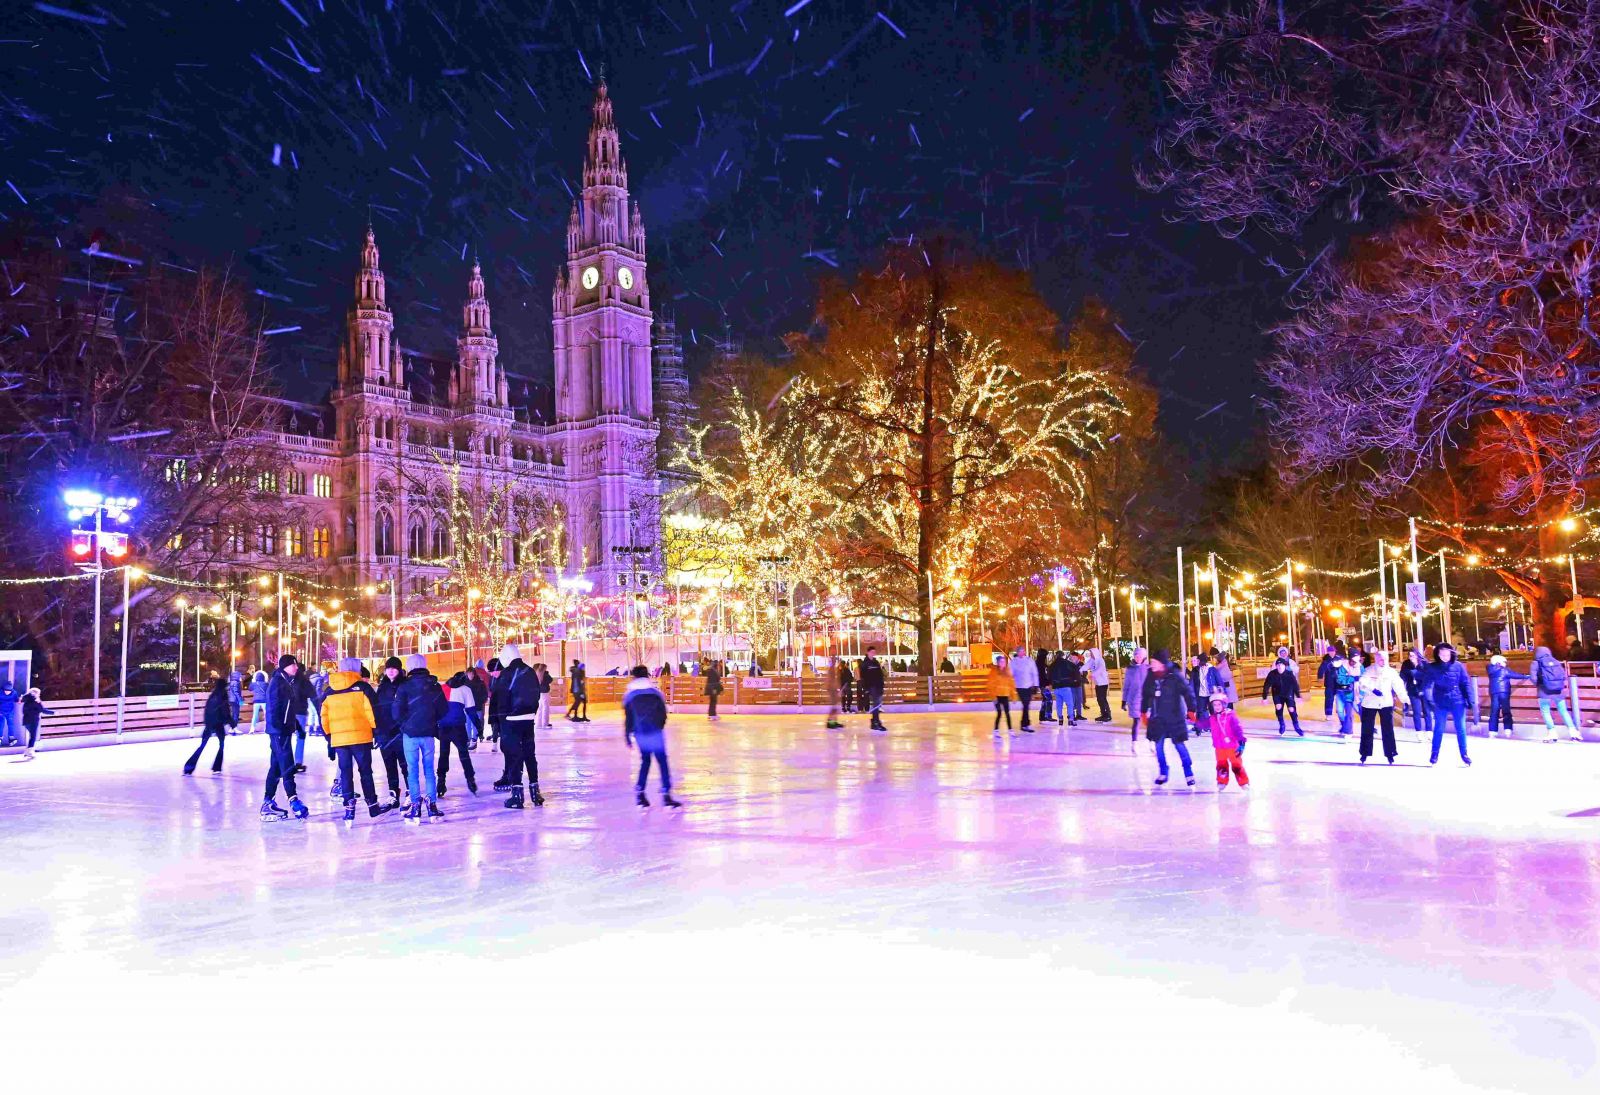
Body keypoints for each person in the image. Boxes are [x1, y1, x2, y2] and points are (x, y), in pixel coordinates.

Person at [322, 657, 391, 825]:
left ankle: (349, 808)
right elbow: (373, 712)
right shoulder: (363, 688)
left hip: (340, 739)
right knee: (365, 771)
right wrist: (378, 733)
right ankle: (372, 805)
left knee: (345, 772)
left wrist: (329, 737)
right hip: (361, 737)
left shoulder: (329, 691)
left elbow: (324, 717)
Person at [393, 653, 446, 823]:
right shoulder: (434, 685)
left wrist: (405, 724)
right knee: (429, 770)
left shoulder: (404, 686)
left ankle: (415, 806)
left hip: (410, 734)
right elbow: (443, 709)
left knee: (412, 770)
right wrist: (431, 720)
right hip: (428, 733)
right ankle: (432, 805)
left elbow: (396, 712)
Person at [491, 643, 545, 808]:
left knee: (514, 756)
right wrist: (532, 712)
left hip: (511, 720)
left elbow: (501, 699)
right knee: (530, 755)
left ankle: (517, 794)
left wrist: (501, 721)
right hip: (528, 719)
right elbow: (537, 694)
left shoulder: (506, 673)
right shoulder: (529, 671)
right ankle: (535, 792)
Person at [622, 665, 681, 807]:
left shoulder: (629, 696)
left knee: (645, 760)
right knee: (662, 761)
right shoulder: (656, 693)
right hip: (655, 732)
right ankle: (666, 793)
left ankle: (640, 792)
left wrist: (628, 736)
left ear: (634, 677)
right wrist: (659, 726)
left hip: (640, 733)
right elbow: (663, 714)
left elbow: (629, 718)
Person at [261, 654, 309, 821]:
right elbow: (273, 708)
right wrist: (279, 728)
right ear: (284, 667)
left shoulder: (286, 681)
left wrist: (297, 727)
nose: (296, 667)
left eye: (296, 664)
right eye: (292, 665)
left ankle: (268, 803)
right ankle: (294, 801)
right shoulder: (277, 683)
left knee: (276, 767)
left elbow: (288, 709)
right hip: (279, 732)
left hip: (283, 730)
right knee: (287, 765)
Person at [1140, 650, 1196, 787]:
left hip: (1174, 717)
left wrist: (1191, 709)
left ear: (1162, 663)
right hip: (1158, 718)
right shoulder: (1151, 676)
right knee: (1158, 747)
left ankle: (1188, 772)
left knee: (1179, 746)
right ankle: (1163, 771)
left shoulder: (1174, 676)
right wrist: (1143, 712)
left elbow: (1187, 692)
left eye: (1154, 662)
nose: (1151, 665)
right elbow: (1145, 694)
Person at [1424, 642, 1473, 766]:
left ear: (1451, 654)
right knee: (1439, 728)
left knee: (1461, 728)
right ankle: (1434, 753)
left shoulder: (1458, 666)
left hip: (1457, 700)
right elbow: (1427, 684)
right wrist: (1429, 700)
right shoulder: (1432, 667)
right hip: (1440, 701)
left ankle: (1464, 754)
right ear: (1438, 655)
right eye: (1442, 655)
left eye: (1447, 655)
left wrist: (1470, 699)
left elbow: (1465, 683)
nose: (1445, 657)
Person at [1356, 650, 1408, 764]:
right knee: (1367, 728)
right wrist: (1372, 689)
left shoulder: (1391, 672)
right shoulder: (1369, 670)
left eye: (1385, 659)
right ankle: (1364, 753)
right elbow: (1362, 682)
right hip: (1369, 703)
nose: (1383, 661)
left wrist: (1405, 700)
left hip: (1385, 703)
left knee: (1388, 729)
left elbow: (1399, 687)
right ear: (1376, 659)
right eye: (1380, 659)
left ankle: (1390, 753)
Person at [435, 671, 479, 798]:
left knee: (443, 755)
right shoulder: (466, 690)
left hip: (443, 727)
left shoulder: (442, 687)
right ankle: (470, 780)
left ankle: (441, 782)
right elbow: (471, 711)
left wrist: (435, 725)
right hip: (458, 727)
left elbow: (435, 708)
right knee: (464, 754)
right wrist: (479, 728)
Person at [373, 656, 409, 808]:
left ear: (399, 670)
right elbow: (376, 710)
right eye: (388, 668)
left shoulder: (405, 685)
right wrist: (376, 732)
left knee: (405, 765)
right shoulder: (382, 687)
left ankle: (410, 793)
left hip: (401, 733)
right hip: (385, 733)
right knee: (389, 765)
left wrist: (404, 726)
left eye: (394, 668)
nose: (391, 671)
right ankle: (393, 793)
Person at [1531, 645, 1581, 742]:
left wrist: (1540, 684)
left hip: (1544, 690)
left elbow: (1533, 678)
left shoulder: (1536, 663)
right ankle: (1574, 732)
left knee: (1546, 712)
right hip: (1558, 691)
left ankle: (1552, 733)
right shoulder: (1556, 661)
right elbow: (1564, 675)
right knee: (1563, 711)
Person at [183, 676, 231, 775]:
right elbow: (225, 711)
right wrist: (232, 723)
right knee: (221, 745)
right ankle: (216, 767)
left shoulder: (212, 695)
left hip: (210, 723)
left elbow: (207, 710)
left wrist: (208, 723)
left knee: (202, 745)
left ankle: (188, 767)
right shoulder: (223, 696)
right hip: (218, 723)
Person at [1207, 693, 1248, 789]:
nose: (1217, 707)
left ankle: (1243, 782)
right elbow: (1203, 723)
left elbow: (1238, 729)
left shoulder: (1230, 716)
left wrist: (1241, 742)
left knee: (1237, 765)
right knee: (1221, 765)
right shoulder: (1212, 718)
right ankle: (1222, 781)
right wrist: (1194, 720)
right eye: (1215, 705)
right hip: (1219, 747)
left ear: (1224, 705)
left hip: (1232, 747)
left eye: (1219, 704)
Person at [1485, 654, 1528, 738]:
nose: (1505, 663)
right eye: (1504, 662)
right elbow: (1516, 675)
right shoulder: (1504, 670)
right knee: (1506, 711)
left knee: (1494, 712)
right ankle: (1508, 730)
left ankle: (1492, 731)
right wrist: (1526, 676)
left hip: (1494, 692)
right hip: (1504, 692)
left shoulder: (1490, 670)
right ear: (1499, 662)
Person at [1261, 656, 1304, 736]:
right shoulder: (1272, 674)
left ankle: (1296, 726)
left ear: (1284, 666)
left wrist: (1298, 696)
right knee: (1278, 707)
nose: (1280, 667)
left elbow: (1295, 685)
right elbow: (1266, 685)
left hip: (1288, 693)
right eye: (1278, 665)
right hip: (1277, 694)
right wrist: (1264, 697)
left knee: (1291, 709)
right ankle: (1282, 724)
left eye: (1281, 665)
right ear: (1276, 666)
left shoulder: (1289, 674)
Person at [1121, 647, 1150, 750]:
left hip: (1146, 699)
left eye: (1140, 656)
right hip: (1134, 699)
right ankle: (1134, 743)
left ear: (1144, 656)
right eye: (1136, 656)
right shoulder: (1130, 669)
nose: (1138, 658)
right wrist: (1124, 701)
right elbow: (1126, 686)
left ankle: (1151, 742)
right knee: (1136, 721)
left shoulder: (1148, 668)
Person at [1398, 648, 1430, 738]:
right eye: (1410, 655)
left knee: (1427, 711)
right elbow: (1402, 676)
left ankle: (1429, 731)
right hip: (1412, 690)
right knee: (1416, 712)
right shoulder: (1406, 664)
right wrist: (1402, 687)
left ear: (1417, 655)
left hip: (1424, 690)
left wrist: (1415, 673)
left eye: (1413, 655)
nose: (1411, 657)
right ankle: (1418, 732)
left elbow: (1428, 677)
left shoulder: (1424, 663)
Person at [1327, 651, 1358, 736]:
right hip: (1339, 692)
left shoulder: (1348, 667)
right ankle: (1345, 726)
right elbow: (1333, 681)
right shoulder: (1331, 668)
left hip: (1350, 692)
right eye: (1334, 661)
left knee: (1356, 710)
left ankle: (1348, 728)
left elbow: (1357, 678)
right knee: (1340, 711)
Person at [19, 686, 53, 761]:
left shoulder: (26, 700)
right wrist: (53, 712)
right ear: (36, 693)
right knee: (33, 736)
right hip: (33, 720)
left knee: (32, 736)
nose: (39, 695)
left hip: (26, 720)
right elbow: (43, 710)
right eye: (38, 693)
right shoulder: (36, 701)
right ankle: (30, 752)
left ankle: (28, 751)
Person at [1009, 646, 1038, 731]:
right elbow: (1010, 674)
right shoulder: (1014, 662)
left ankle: (1024, 723)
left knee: (1026, 705)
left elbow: (1034, 673)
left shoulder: (1029, 660)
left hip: (1029, 686)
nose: (1022, 653)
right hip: (1019, 686)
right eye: (1020, 651)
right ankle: (1026, 724)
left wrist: (1036, 685)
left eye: (1023, 651)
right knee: (1026, 704)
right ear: (1017, 652)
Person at [859, 647, 887, 731]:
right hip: (871, 686)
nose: (873, 653)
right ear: (868, 652)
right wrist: (866, 688)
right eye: (871, 652)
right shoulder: (865, 664)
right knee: (876, 704)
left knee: (877, 704)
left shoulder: (876, 662)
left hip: (878, 686)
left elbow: (880, 674)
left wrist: (882, 685)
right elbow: (863, 677)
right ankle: (875, 721)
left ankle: (875, 721)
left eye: (874, 652)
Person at [1049, 650, 1077, 726]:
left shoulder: (1052, 665)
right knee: (1070, 704)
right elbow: (1074, 669)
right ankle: (1071, 719)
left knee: (1059, 704)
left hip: (1056, 687)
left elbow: (1049, 675)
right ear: (1062, 655)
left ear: (1056, 656)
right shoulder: (1067, 663)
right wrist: (1073, 680)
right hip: (1065, 686)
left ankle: (1060, 719)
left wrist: (1052, 683)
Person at [1084, 647, 1112, 722]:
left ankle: (1107, 715)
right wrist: (1080, 670)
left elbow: (1101, 669)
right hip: (1098, 683)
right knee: (1099, 699)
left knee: (1102, 699)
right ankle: (1103, 714)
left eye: (1092, 653)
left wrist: (1093, 675)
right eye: (1090, 653)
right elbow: (1087, 666)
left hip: (1103, 683)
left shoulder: (1100, 660)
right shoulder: (1093, 660)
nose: (1091, 655)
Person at [990, 654, 1015, 734]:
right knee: (999, 713)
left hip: (1005, 696)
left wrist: (1013, 696)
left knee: (1007, 713)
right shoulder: (994, 672)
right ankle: (996, 730)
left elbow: (1011, 684)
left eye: (1004, 661)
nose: (1003, 663)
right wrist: (994, 697)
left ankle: (1010, 729)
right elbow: (990, 685)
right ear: (998, 663)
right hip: (997, 696)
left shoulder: (1007, 671)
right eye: (1001, 661)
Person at [248, 663, 270, 732]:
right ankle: (266, 727)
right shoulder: (266, 684)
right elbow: (268, 690)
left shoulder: (254, 684)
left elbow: (250, 688)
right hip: (264, 700)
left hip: (256, 701)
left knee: (255, 715)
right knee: (266, 714)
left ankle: (252, 728)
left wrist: (252, 681)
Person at [1316, 650, 1337, 720]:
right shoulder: (1326, 661)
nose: (1332, 653)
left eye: (1333, 651)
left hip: (1338, 682)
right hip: (1329, 682)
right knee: (1329, 699)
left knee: (1340, 697)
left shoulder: (1338, 659)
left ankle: (1340, 710)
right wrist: (1320, 677)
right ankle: (1328, 714)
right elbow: (1321, 669)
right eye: (1331, 651)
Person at [1035, 649, 1054, 723]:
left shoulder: (1039, 663)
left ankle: (1042, 716)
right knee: (1049, 699)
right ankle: (1048, 716)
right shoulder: (1040, 664)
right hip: (1043, 684)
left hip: (1042, 684)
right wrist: (1046, 684)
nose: (1046, 656)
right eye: (1045, 655)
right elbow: (1042, 675)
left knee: (1045, 699)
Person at [0, 678, 21, 748]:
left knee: (11, 724)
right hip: (1, 712)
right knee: (1, 724)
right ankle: (0, 737)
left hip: (10, 711)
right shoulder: (0, 693)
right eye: (6, 691)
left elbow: (16, 699)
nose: (7, 692)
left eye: (9, 691)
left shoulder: (14, 693)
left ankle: (11, 738)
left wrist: (19, 700)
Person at [534, 662, 553, 730]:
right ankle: (545, 723)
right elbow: (550, 680)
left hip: (539, 692)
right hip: (545, 692)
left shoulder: (536, 674)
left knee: (540, 708)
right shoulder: (545, 675)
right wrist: (547, 673)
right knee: (545, 708)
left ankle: (538, 724)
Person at [226, 665, 244, 733]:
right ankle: (235, 728)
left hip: (231, 700)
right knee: (236, 714)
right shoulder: (236, 683)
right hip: (235, 700)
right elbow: (236, 692)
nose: (241, 677)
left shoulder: (231, 683)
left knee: (233, 714)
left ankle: (231, 728)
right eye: (240, 676)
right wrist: (240, 700)